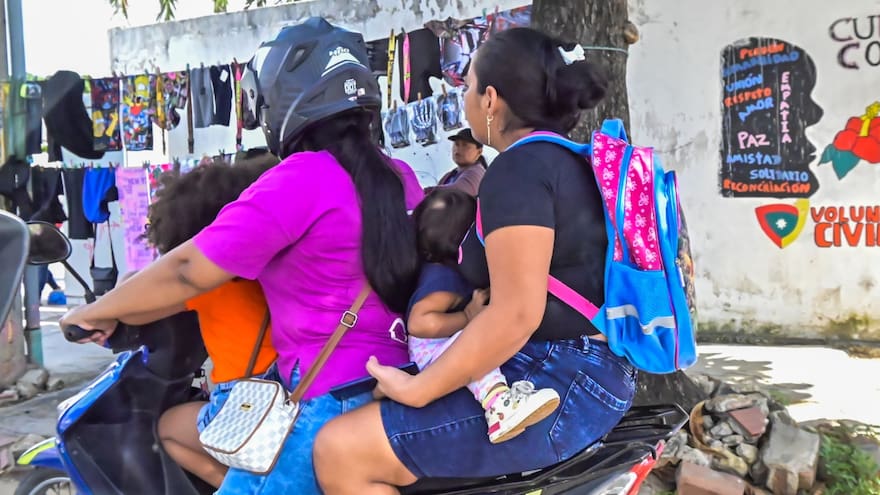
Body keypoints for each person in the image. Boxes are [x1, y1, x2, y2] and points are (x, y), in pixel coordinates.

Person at [60, 17, 423, 495]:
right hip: (394, 394)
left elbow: (189, 271)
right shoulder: (400, 177)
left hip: (325, 403)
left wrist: (94, 310)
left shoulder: (300, 178)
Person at [313, 27, 637, 494]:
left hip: (560, 376)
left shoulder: (517, 171)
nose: (463, 99)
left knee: (339, 448)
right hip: (590, 368)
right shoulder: (571, 161)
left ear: (490, 100)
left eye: (466, 87)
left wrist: (419, 389)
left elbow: (516, 313)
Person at [117, 158, 278, 489]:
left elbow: (132, 309)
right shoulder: (274, 271)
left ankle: (232, 485)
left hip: (246, 404)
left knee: (169, 428)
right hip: (291, 392)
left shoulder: (204, 282)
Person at [407, 189, 559, 444]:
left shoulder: (440, 270)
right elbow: (419, 323)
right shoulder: (445, 277)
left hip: (437, 344)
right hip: (429, 348)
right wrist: (467, 316)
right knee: (476, 349)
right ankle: (499, 408)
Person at [426, 128, 487, 197]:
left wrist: (424, 192)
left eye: (465, 145)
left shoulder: (476, 173)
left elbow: (455, 192)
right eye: (456, 144)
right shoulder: (451, 174)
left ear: (479, 152)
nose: (458, 149)